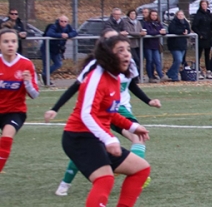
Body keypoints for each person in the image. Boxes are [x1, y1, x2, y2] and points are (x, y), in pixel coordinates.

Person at [61, 35, 151, 207]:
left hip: (95, 136)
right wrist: (109, 138)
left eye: (128, 49)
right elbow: (87, 114)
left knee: (141, 169)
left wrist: (132, 126)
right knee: (104, 179)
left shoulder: (114, 78)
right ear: (108, 54)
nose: (127, 54)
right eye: (121, 50)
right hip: (79, 137)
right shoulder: (96, 77)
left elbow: (109, 113)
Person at [50, 29, 161, 197]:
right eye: (113, 42)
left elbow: (131, 84)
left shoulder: (127, 61)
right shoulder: (95, 67)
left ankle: (133, 172)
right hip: (98, 112)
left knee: (137, 138)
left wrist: (148, 101)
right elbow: (76, 87)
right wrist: (55, 108)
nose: (123, 50)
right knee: (88, 148)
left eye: (124, 46)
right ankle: (65, 183)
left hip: (119, 110)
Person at [0, 28, 39, 180]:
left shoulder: (26, 64)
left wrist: (27, 83)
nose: (10, 45)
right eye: (6, 41)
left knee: (7, 138)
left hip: (15, 111)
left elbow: (34, 95)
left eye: (13, 41)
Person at [42, 15, 78, 85]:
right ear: (59, 21)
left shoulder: (68, 27)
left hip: (56, 49)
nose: (63, 23)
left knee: (58, 63)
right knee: (46, 64)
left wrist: (68, 35)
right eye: (61, 21)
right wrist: (61, 35)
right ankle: (46, 80)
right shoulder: (54, 26)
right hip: (47, 48)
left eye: (65, 21)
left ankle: (45, 74)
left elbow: (75, 32)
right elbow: (49, 33)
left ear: (67, 22)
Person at [142, 9, 166, 82]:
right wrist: (158, 32)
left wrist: (163, 32)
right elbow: (149, 32)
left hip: (155, 45)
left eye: (155, 15)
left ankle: (161, 75)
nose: (154, 16)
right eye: (152, 15)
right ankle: (150, 76)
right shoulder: (146, 23)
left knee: (157, 61)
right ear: (150, 15)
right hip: (148, 45)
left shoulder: (158, 23)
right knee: (149, 60)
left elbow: (163, 31)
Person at [191, 0, 212, 78]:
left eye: (205, 4)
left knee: (207, 55)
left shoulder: (209, 14)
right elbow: (194, 26)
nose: (204, 6)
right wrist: (199, 34)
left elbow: (211, 24)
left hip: (208, 37)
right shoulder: (198, 15)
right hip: (201, 38)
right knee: (199, 54)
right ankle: (198, 71)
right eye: (202, 4)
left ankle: (208, 71)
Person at [166, 10, 191, 81]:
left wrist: (187, 32)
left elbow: (188, 29)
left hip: (182, 44)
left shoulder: (185, 22)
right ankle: (171, 73)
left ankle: (174, 76)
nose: (180, 16)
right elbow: (172, 30)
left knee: (178, 61)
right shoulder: (173, 22)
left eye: (182, 15)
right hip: (174, 44)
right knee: (178, 60)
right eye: (179, 15)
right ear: (176, 15)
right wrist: (182, 32)